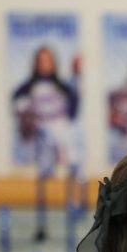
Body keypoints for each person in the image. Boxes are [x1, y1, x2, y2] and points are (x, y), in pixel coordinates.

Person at [12, 46, 79, 174]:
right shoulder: (26, 88)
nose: (45, 64)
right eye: (41, 61)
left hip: (60, 130)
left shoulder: (64, 88)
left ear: (54, 63)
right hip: (37, 132)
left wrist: (76, 78)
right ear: (36, 63)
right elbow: (17, 107)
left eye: (48, 61)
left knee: (69, 150)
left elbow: (72, 114)